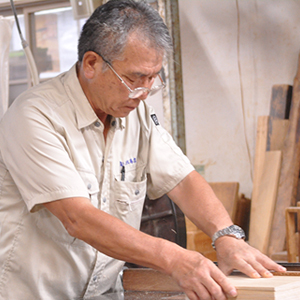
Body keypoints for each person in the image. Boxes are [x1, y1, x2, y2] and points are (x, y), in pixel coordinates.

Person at [0, 0, 285, 299]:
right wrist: (174, 258)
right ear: (91, 64)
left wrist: (225, 235)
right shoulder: (35, 116)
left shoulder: (133, 112)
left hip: (104, 293)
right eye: (135, 78)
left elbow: (182, 179)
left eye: (153, 78)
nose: (144, 92)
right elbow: (77, 218)